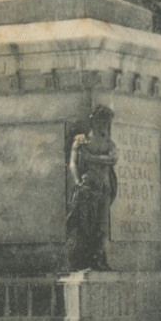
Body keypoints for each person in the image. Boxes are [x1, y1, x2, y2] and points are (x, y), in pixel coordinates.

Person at [65, 105, 119, 271]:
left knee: (102, 226)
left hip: (104, 187)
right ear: (93, 121)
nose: (104, 125)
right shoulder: (81, 140)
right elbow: (72, 163)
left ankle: (99, 259)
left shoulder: (109, 143)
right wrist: (76, 181)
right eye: (101, 121)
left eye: (106, 122)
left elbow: (113, 159)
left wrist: (92, 158)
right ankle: (84, 260)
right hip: (87, 186)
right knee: (85, 224)